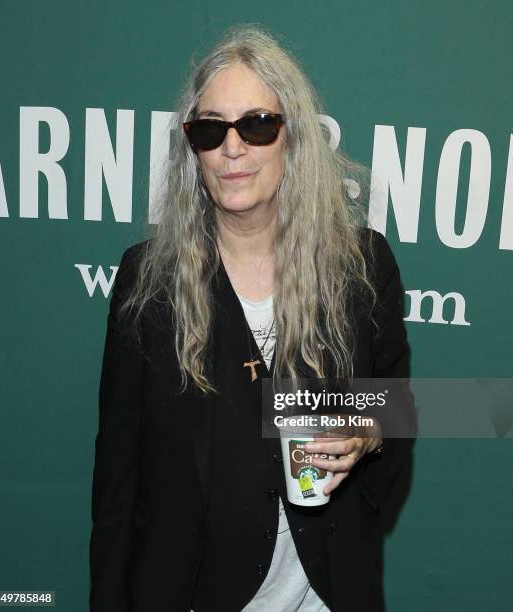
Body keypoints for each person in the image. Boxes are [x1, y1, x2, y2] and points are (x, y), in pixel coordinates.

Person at [89, 24, 416, 612]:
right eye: (211, 129)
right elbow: (117, 484)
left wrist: (366, 432)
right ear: (193, 149)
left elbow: (400, 404)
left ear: (293, 138)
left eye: (257, 125)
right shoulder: (149, 284)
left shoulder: (362, 268)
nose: (232, 149)